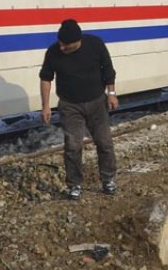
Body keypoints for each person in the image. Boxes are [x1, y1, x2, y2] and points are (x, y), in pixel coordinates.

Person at [39, 19, 119, 199]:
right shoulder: (53, 52)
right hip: (69, 106)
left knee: (104, 142)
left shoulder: (95, 44)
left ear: (78, 41)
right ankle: (74, 184)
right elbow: (46, 78)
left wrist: (112, 93)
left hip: (97, 102)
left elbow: (108, 69)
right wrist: (45, 106)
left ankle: (108, 179)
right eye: (60, 42)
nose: (62, 47)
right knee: (73, 146)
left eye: (66, 45)